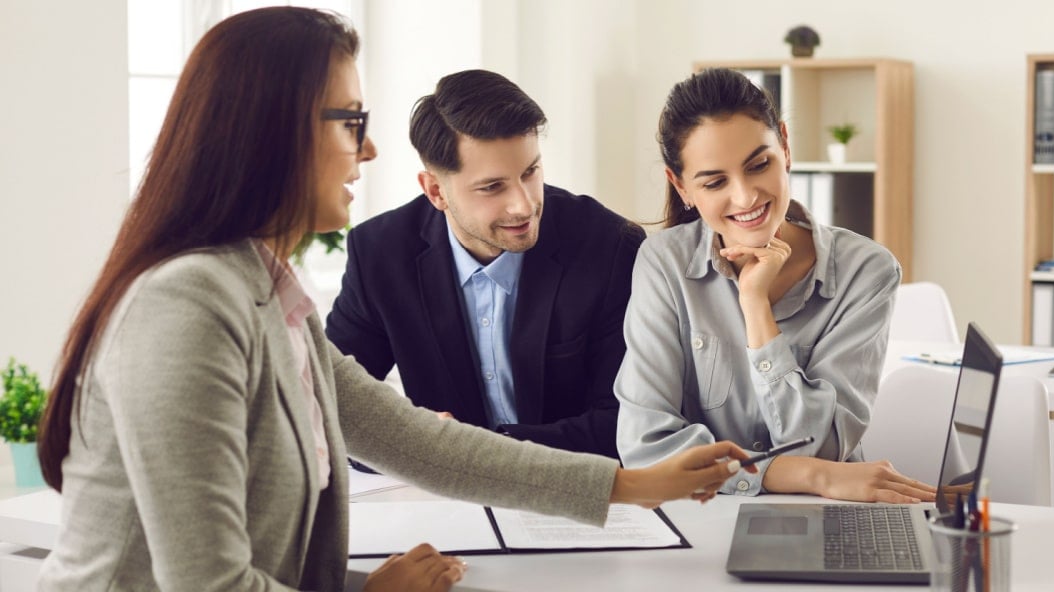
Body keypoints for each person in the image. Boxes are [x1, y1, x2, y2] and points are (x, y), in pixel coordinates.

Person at [35, 10, 750, 591]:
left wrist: (630, 485)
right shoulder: (187, 306)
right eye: (350, 121)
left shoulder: (266, 294)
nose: (368, 150)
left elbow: (414, 440)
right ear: (271, 133)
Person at [615, 68, 935, 503]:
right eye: (714, 182)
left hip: (826, 515)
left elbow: (823, 446)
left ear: (785, 146)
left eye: (759, 165)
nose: (746, 197)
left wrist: (755, 307)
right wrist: (809, 475)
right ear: (681, 186)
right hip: (703, 519)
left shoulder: (867, 271)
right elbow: (646, 450)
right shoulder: (663, 263)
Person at [325, 69, 643, 459]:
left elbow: (628, 422)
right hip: (445, 501)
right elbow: (329, 407)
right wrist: (411, 439)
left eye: (531, 172)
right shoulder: (380, 254)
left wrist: (476, 452)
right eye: (493, 187)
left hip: (578, 492)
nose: (524, 204)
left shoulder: (608, 245)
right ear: (436, 191)